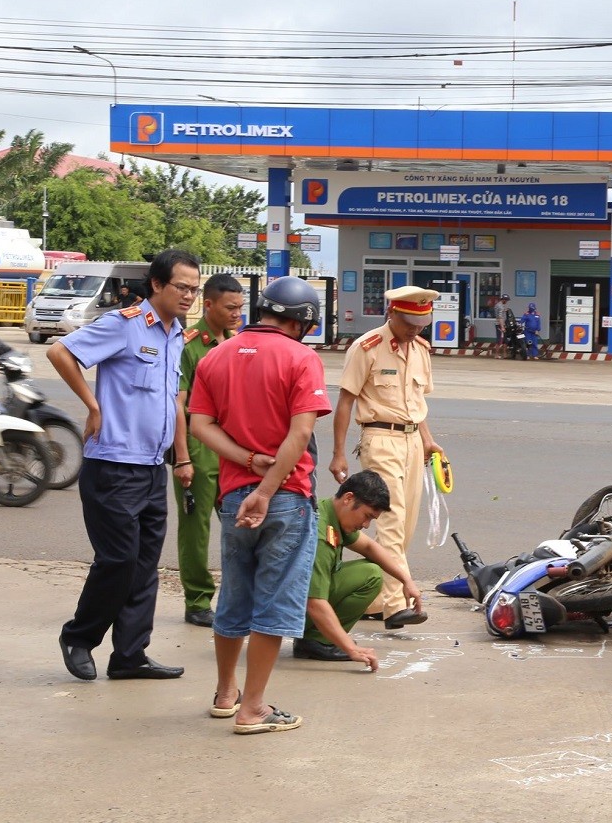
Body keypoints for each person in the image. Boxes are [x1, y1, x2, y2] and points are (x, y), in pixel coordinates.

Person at [189, 275, 332, 734]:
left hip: (232, 496)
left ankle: (225, 693)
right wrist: (267, 487)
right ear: (304, 322)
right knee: (274, 601)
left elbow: (201, 426)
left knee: (234, 593)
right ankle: (253, 708)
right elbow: (301, 435)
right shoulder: (301, 358)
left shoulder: (216, 356)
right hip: (285, 499)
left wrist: (246, 462)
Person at [48, 248, 199, 682]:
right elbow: (61, 353)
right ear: (157, 285)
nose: (189, 295)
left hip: (153, 467)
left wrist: (179, 456)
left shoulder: (174, 335)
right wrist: (92, 404)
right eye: (182, 287)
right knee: (118, 560)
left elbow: (171, 400)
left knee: (145, 565)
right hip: (114, 464)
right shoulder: (125, 324)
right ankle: (79, 636)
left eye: (194, 288)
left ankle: (130, 654)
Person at [329, 285, 443, 631]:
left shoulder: (421, 348)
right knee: (391, 522)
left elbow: (417, 404)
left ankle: (376, 599)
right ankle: (396, 606)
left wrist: (428, 441)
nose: (415, 330)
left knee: (405, 526)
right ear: (391, 314)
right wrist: (338, 453)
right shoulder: (367, 348)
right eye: (409, 323)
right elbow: (346, 401)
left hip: (411, 442)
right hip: (379, 439)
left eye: (421, 324)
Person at [172, 273, 245, 628]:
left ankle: (238, 596)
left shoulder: (236, 343)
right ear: (209, 304)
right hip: (198, 448)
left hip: (229, 446)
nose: (236, 314)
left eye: (241, 308)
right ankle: (197, 600)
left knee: (240, 525)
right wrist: (182, 458)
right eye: (230, 307)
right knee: (196, 529)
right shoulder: (189, 344)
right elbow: (178, 405)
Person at [295, 470, 424, 667]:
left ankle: (319, 637)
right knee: (370, 575)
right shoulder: (321, 534)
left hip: (299, 602)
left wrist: (406, 580)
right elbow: (315, 603)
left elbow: (370, 547)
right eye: (366, 516)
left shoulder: (331, 514)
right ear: (348, 499)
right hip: (289, 610)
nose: (365, 525)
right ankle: (316, 640)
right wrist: (351, 649)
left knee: (370, 571)